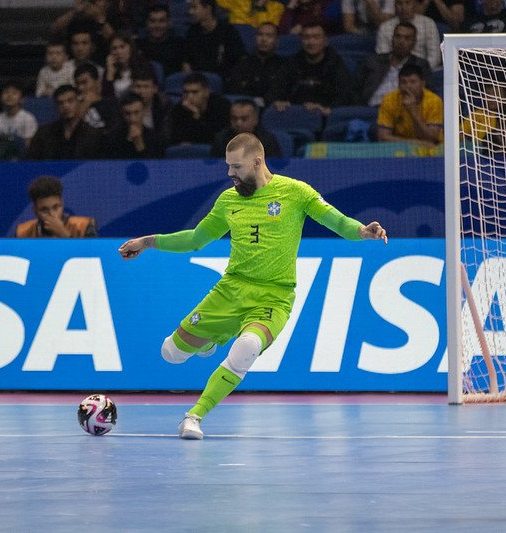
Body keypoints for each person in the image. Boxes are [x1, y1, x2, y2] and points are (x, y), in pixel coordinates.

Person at [117, 132, 387, 439]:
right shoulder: (228, 201)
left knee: (246, 346)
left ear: (257, 162)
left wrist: (363, 231)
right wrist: (148, 242)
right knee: (171, 352)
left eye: (237, 167)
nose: (230, 174)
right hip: (230, 291)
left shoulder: (295, 193)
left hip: (274, 296)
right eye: (228, 167)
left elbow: (336, 221)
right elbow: (195, 239)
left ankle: (194, 416)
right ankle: (209, 342)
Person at [265, 23, 354, 116]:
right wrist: (277, 102)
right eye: (306, 37)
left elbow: (345, 96)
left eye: (316, 37)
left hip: (324, 117)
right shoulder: (292, 63)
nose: (311, 42)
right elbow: (274, 91)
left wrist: (327, 109)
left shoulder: (336, 64)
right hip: (293, 115)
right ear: (301, 41)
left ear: (326, 41)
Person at [358, 21, 431, 107]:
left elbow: (427, 94)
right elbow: (356, 90)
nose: (401, 42)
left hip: (402, 112)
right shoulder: (372, 61)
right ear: (392, 39)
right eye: (398, 36)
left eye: (407, 38)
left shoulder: (420, 65)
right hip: (370, 110)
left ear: (414, 43)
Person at [27, 84, 104, 160]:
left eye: (70, 101)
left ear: (78, 102)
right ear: (56, 107)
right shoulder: (44, 134)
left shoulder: (93, 135)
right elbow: (31, 162)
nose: (66, 106)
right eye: (61, 103)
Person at [376, 62, 443, 144]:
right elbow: (383, 136)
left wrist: (413, 112)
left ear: (422, 84)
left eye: (413, 82)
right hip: (401, 147)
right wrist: (414, 143)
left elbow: (432, 139)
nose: (408, 86)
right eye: (403, 82)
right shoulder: (389, 99)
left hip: (434, 149)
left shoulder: (434, 101)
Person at [16, 175, 97, 238]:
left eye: (56, 207)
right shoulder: (22, 233)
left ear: (62, 203)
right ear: (35, 210)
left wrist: (64, 234)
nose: (52, 214)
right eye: (44, 210)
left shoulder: (84, 227)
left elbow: (91, 256)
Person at [182, 0, 246, 78]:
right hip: (198, 81)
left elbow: (239, 60)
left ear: (208, 8)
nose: (190, 11)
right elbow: (186, 61)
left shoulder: (228, 31)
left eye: (194, 7)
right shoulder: (192, 32)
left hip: (223, 81)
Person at [226, 22, 286, 105]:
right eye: (260, 35)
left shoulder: (283, 65)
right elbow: (234, 88)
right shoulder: (242, 62)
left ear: (277, 41)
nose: (263, 39)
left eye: (269, 36)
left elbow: (281, 91)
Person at [166, 72, 231, 146]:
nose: (189, 96)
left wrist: (197, 116)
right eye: (186, 92)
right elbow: (175, 138)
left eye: (194, 92)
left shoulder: (221, 106)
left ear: (206, 92)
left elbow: (216, 137)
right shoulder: (179, 109)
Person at [375, 0, 441, 70]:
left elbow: (435, 58)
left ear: (415, 4)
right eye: (399, 3)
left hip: (422, 71)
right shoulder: (385, 27)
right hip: (392, 70)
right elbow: (382, 57)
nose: (404, 7)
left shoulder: (428, 24)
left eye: (408, 3)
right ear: (394, 6)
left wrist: (418, 72)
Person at [211, 99, 282, 157]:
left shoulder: (267, 140)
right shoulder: (221, 139)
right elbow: (217, 167)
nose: (238, 123)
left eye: (244, 119)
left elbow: (273, 167)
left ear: (255, 120)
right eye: (234, 118)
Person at [105, 93, 164, 159]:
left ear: (144, 111)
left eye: (136, 112)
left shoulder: (155, 138)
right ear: (121, 114)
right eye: (127, 113)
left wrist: (139, 145)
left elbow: (153, 167)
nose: (133, 119)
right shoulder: (112, 138)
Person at [74, 61, 123, 135]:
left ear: (97, 82)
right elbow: (71, 132)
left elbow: (115, 132)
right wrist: (85, 104)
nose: (80, 88)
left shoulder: (111, 104)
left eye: (84, 82)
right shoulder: (74, 107)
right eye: (77, 84)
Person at [136, 5, 184, 76]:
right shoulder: (137, 46)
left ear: (169, 23)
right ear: (146, 24)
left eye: (162, 21)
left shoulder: (180, 45)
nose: (157, 26)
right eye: (152, 21)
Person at [128, 66, 171, 143]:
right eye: (138, 86)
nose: (141, 91)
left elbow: (165, 136)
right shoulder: (124, 103)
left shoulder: (164, 104)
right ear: (131, 88)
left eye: (146, 87)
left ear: (155, 89)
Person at [0, 80, 39, 149]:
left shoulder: (28, 118)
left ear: (22, 99)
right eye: (6, 92)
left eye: (14, 93)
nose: (9, 96)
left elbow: (29, 145)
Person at [103, 32, 146, 98]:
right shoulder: (108, 71)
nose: (118, 52)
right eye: (114, 48)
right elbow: (106, 98)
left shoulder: (143, 67)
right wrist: (110, 73)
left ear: (130, 48)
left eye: (122, 47)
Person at [217, 0, 286, 27]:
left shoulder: (277, 8)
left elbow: (265, 29)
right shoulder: (238, 1)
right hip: (236, 39)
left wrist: (260, 6)